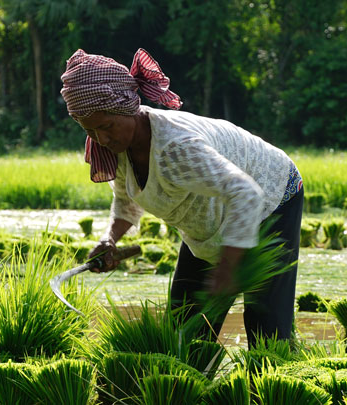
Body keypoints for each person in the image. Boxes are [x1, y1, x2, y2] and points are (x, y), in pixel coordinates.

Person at [59, 48, 304, 348]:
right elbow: (127, 199)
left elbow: (246, 193)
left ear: (127, 108)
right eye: (90, 131)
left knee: (267, 331)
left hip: (271, 196)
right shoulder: (117, 149)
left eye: (106, 126)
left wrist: (227, 266)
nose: (102, 140)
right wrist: (110, 239)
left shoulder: (176, 147)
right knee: (184, 328)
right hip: (208, 223)